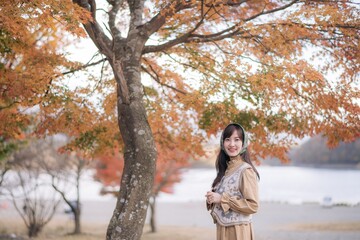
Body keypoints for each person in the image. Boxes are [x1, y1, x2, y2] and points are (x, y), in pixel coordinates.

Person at [205, 123, 259, 240]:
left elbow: (253, 206)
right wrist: (213, 198)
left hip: (239, 232)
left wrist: (221, 199)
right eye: (228, 139)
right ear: (222, 143)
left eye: (237, 140)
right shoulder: (226, 170)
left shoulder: (245, 170)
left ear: (243, 143)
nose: (232, 144)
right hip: (223, 230)